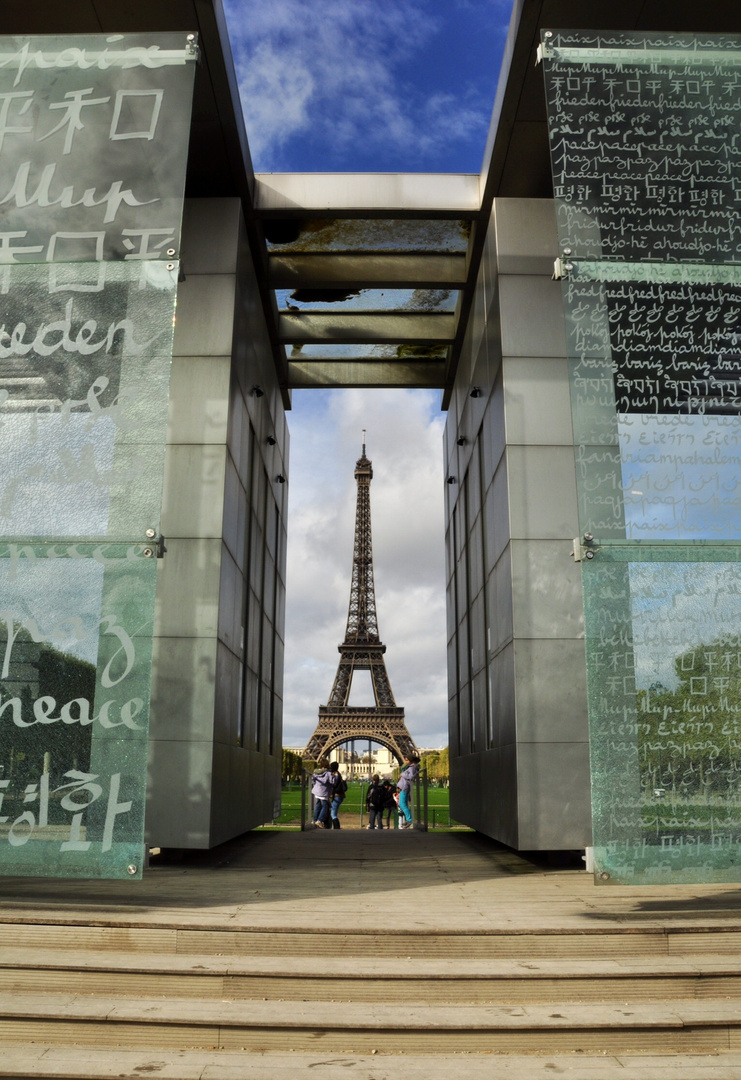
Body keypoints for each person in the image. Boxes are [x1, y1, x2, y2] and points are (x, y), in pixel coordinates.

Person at [310, 759, 338, 828]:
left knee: (318, 806)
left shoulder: (316, 772)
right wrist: (336, 777)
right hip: (324, 792)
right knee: (325, 806)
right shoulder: (328, 773)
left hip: (317, 791)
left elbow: (312, 780)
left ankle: (314, 820)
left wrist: (316, 785)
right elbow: (332, 782)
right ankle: (319, 820)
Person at [396, 755, 419, 829]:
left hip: (405, 787)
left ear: (410, 760)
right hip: (404, 787)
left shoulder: (412, 768)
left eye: (407, 760)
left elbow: (411, 776)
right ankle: (408, 819)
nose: (405, 761)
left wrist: (402, 774)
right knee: (403, 804)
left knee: (401, 804)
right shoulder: (411, 767)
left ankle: (409, 819)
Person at [329, 764, 348, 829]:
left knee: (333, 814)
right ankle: (337, 827)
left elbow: (334, 784)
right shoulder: (338, 774)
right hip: (339, 796)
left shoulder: (336, 775)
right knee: (334, 813)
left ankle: (337, 827)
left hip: (337, 796)